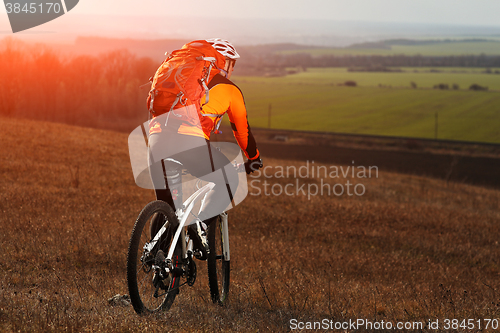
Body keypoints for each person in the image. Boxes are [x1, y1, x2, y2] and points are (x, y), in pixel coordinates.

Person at [147, 38, 262, 257]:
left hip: (156, 140)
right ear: (224, 62)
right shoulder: (229, 89)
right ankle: (199, 226)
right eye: (231, 63)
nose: (232, 68)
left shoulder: (183, 79)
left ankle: (158, 265)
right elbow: (242, 131)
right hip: (189, 143)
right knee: (228, 177)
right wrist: (254, 157)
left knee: (166, 206)